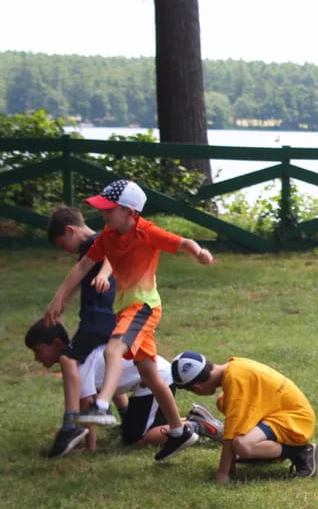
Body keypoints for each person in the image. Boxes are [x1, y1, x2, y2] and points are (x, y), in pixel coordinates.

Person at [44, 179, 215, 462]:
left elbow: (181, 242)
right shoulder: (108, 236)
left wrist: (199, 253)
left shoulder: (147, 232)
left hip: (143, 306)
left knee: (113, 349)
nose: (104, 215)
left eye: (109, 210)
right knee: (149, 374)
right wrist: (59, 297)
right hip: (125, 309)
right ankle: (178, 431)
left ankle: (101, 406)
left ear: (130, 212)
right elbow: (84, 265)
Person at [24, 319, 218, 451]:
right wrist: (126, 415)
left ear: (57, 343)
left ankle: (195, 426)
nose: (36, 358)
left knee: (137, 439)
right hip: (148, 380)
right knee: (133, 431)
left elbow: (85, 406)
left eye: (38, 351)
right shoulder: (79, 354)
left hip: (155, 379)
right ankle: (188, 421)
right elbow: (110, 385)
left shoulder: (75, 363)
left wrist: (89, 448)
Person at [170, 351, 318, 483]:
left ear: (197, 388)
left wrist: (223, 473)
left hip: (295, 420)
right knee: (223, 401)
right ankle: (268, 452)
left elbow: (231, 434)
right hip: (282, 413)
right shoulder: (233, 367)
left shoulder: (236, 381)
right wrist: (230, 463)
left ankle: (300, 452)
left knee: (242, 445)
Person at [43, 206, 119, 456]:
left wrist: (59, 298)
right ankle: (122, 418)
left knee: (68, 359)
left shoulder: (99, 242)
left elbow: (110, 257)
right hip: (102, 317)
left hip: (98, 317)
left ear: (70, 230)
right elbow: (79, 274)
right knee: (95, 368)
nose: (63, 248)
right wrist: (62, 300)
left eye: (61, 242)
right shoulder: (91, 248)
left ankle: (70, 424)